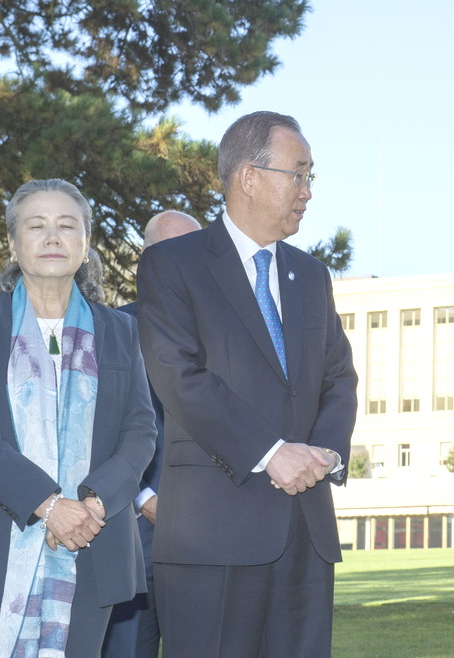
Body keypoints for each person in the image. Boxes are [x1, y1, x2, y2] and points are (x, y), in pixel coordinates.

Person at [136, 111, 358, 658]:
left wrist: (324, 453)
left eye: (311, 176)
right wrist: (271, 452)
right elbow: (178, 377)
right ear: (249, 177)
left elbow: (339, 376)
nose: (307, 191)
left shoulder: (310, 275)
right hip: (212, 538)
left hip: (305, 536)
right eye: (298, 173)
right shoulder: (172, 264)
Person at [0, 179, 157, 657]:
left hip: (94, 540)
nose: (53, 237)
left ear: (86, 244)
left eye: (67, 226)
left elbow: (140, 429)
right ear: (12, 242)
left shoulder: (120, 330)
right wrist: (48, 504)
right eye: (37, 225)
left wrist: (92, 504)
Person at [102, 211, 201, 658]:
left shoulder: (230, 334)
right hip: (133, 536)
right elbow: (98, 429)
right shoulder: (111, 332)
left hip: (207, 545)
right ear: (145, 260)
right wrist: (144, 497)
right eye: (168, 251)